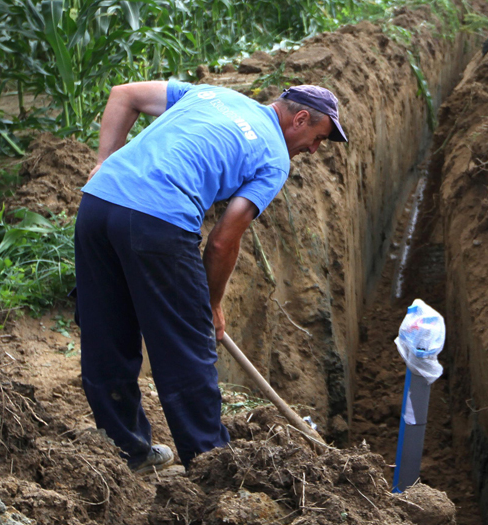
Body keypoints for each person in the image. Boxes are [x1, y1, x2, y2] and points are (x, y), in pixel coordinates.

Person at [75, 80, 346, 472]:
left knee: (107, 334)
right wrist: (212, 305)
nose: (313, 150)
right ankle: (210, 467)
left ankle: (128, 450)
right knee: (188, 349)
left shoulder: (213, 94)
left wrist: (105, 162)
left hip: (97, 204)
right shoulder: (274, 158)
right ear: (300, 118)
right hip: (159, 221)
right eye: (317, 138)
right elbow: (222, 241)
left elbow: (122, 93)